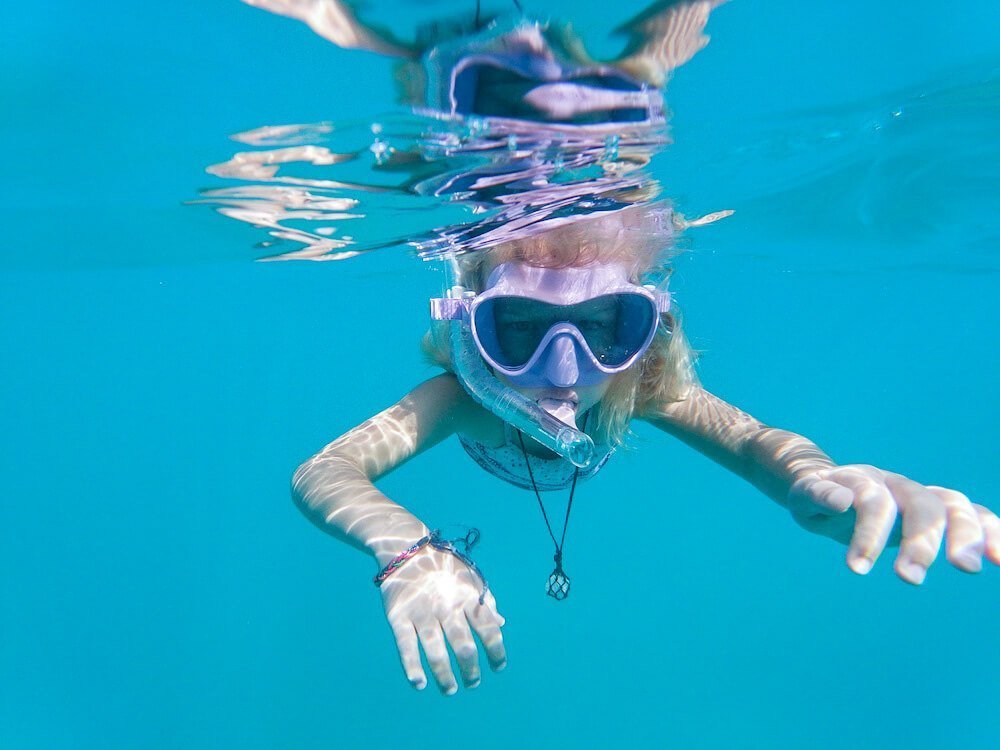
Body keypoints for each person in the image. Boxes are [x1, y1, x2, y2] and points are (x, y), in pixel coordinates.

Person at [291, 206, 1000, 696]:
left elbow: (752, 441)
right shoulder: (465, 399)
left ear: (644, 330)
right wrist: (408, 550)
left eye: (604, 327)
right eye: (519, 329)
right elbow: (325, 469)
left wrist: (815, 481)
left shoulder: (641, 386)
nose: (563, 369)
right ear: (472, 332)